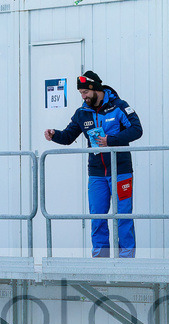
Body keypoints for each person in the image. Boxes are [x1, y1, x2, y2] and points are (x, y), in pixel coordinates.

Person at [44, 70, 143, 258]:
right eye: (80, 93)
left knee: (123, 217)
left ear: (96, 89)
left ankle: (127, 261)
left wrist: (111, 141)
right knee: (97, 218)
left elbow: (137, 130)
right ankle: (100, 260)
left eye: (85, 92)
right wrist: (54, 134)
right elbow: (67, 137)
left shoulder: (119, 106)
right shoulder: (82, 113)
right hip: (97, 174)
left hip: (121, 171)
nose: (83, 96)